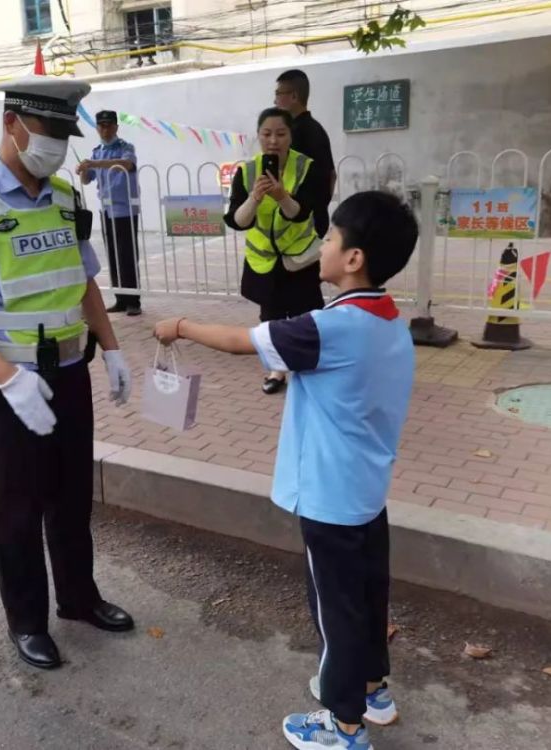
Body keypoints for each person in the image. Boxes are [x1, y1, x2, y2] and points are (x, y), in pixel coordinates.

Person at [154, 190, 420, 750]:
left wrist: (178, 325)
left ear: (354, 259)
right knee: (367, 595)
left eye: (329, 237)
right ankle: (372, 691)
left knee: (336, 610)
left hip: (329, 496)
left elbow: (236, 342)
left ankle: (343, 725)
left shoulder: (329, 329)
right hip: (367, 492)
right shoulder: (390, 320)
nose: (321, 245)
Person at [0, 76, 136, 671]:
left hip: (69, 373)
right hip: (8, 382)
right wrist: (9, 380)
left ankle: (78, 598)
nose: (56, 145)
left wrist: (112, 347)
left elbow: (84, 280)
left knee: (71, 497)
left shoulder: (67, 197)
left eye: (65, 134)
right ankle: (26, 621)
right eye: (47, 131)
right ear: (12, 125)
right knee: (16, 507)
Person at [227, 107, 325, 394]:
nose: (273, 141)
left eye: (280, 134)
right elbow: (238, 221)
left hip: (299, 257)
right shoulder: (246, 172)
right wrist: (255, 198)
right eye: (266, 134)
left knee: (307, 314)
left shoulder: (307, 167)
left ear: (290, 136)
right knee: (270, 317)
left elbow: (302, 212)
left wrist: (282, 195)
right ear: (258, 136)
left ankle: (311, 367)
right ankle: (277, 369)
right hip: (264, 260)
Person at [76, 110, 142, 316]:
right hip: (106, 209)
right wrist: (84, 169)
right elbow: (88, 180)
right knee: (113, 255)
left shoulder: (125, 148)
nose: (105, 129)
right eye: (101, 126)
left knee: (127, 254)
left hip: (124, 209)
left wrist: (93, 163)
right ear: (97, 128)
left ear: (115, 127)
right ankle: (120, 298)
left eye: (108, 125)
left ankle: (134, 301)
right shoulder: (97, 152)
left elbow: (127, 164)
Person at [275, 69, 336, 238]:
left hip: (299, 223)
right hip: (317, 218)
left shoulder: (293, 135)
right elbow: (332, 176)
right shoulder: (318, 130)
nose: (275, 100)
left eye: (279, 94)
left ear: (294, 96)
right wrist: (321, 206)